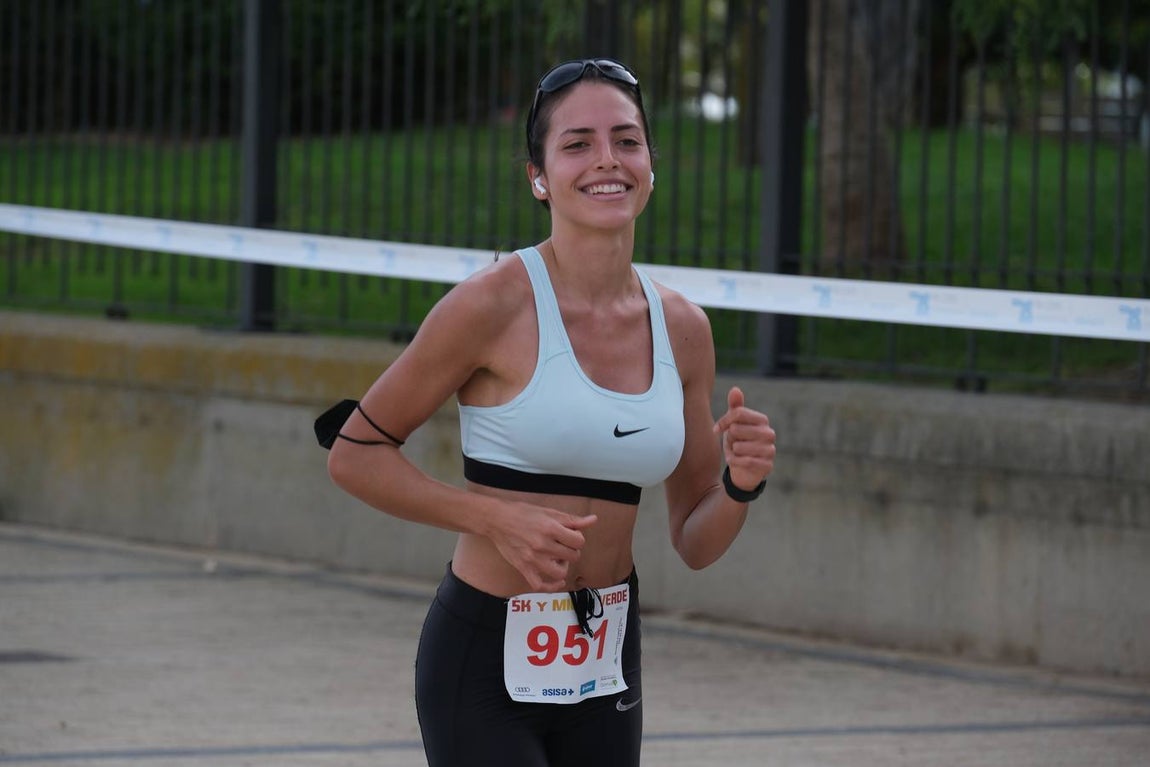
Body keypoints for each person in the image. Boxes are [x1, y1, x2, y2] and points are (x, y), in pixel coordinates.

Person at [325, 57, 776, 767]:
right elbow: (353, 453)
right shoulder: (492, 305)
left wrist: (741, 483)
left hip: (604, 657)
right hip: (482, 656)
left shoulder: (683, 328)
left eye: (627, 140)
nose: (607, 160)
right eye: (577, 143)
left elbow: (695, 539)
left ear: (651, 165)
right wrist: (492, 517)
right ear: (539, 176)